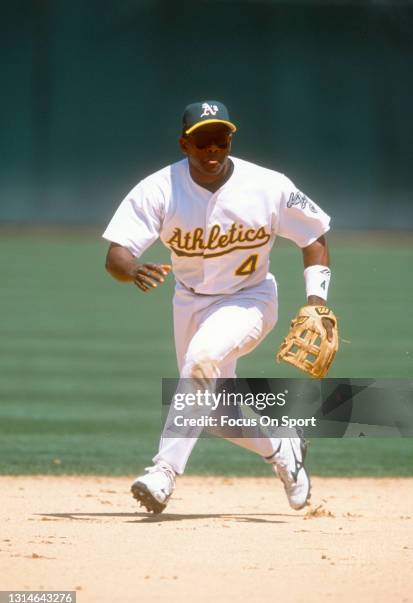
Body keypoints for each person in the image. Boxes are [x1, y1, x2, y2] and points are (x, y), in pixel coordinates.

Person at [103, 100, 333, 514]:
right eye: (203, 141)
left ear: (230, 140)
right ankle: (284, 446)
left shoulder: (268, 185)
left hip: (250, 299)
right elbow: (116, 256)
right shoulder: (159, 188)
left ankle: (164, 473)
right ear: (184, 144)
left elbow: (313, 236)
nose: (212, 150)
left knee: (201, 359)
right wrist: (133, 269)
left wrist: (317, 301)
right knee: (211, 414)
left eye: (221, 140)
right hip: (189, 302)